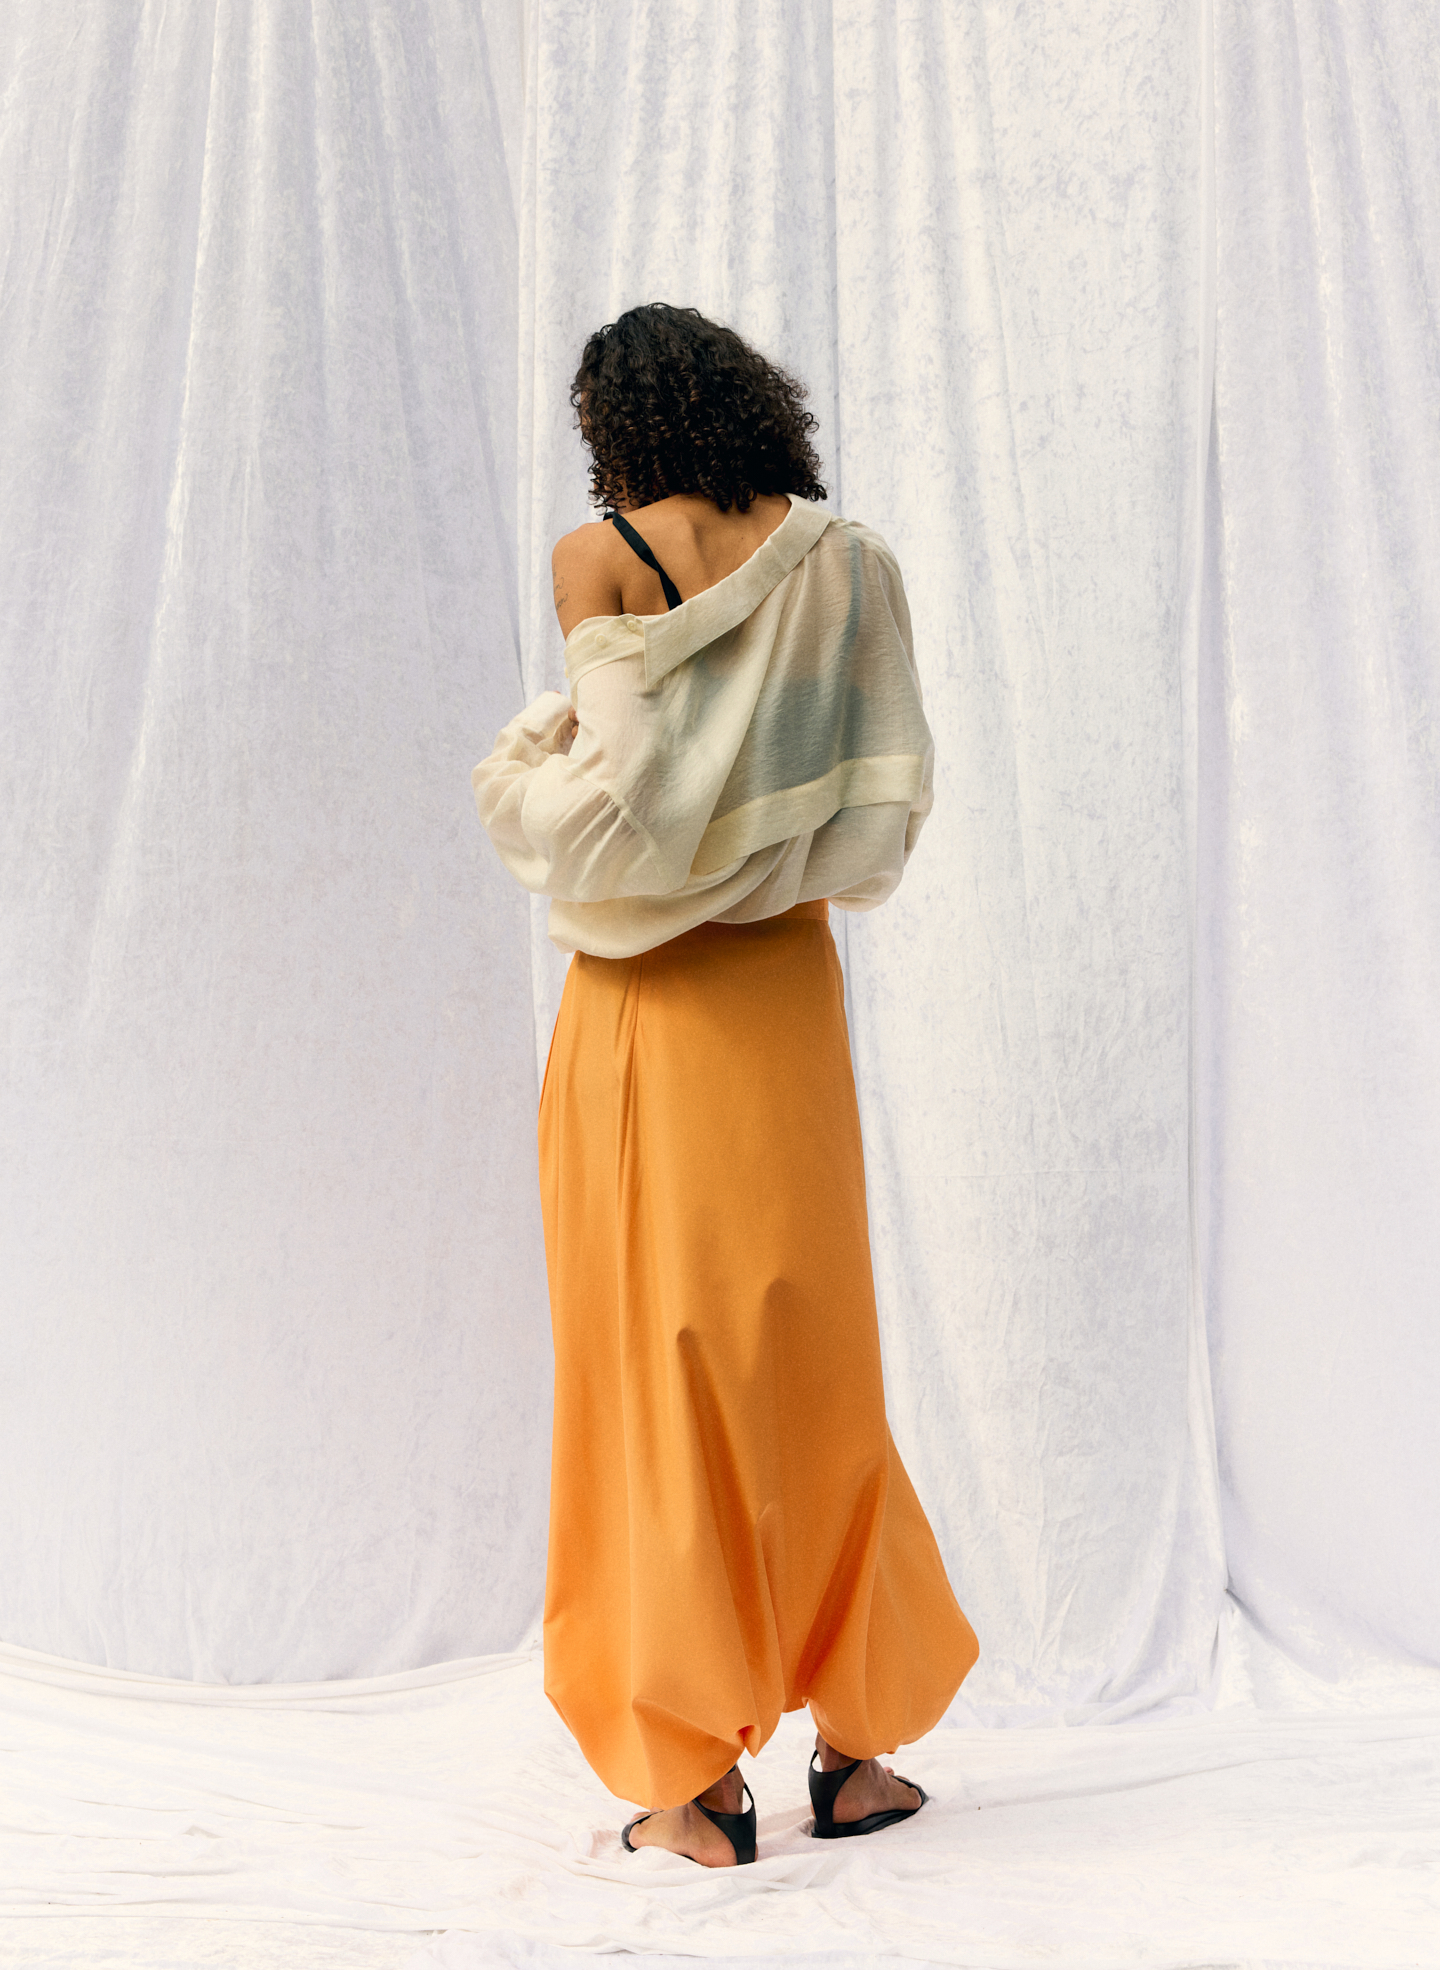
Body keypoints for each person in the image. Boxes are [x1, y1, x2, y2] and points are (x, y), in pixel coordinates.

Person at [473, 303, 978, 1868]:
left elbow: (626, 809)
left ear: (615, 427)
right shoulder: (850, 567)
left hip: (644, 1019)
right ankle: (860, 1752)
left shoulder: (600, 557)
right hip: (784, 1002)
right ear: (752, 404)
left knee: (654, 1378)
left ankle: (691, 1786)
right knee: (816, 1359)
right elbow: (883, 806)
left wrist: (518, 767)